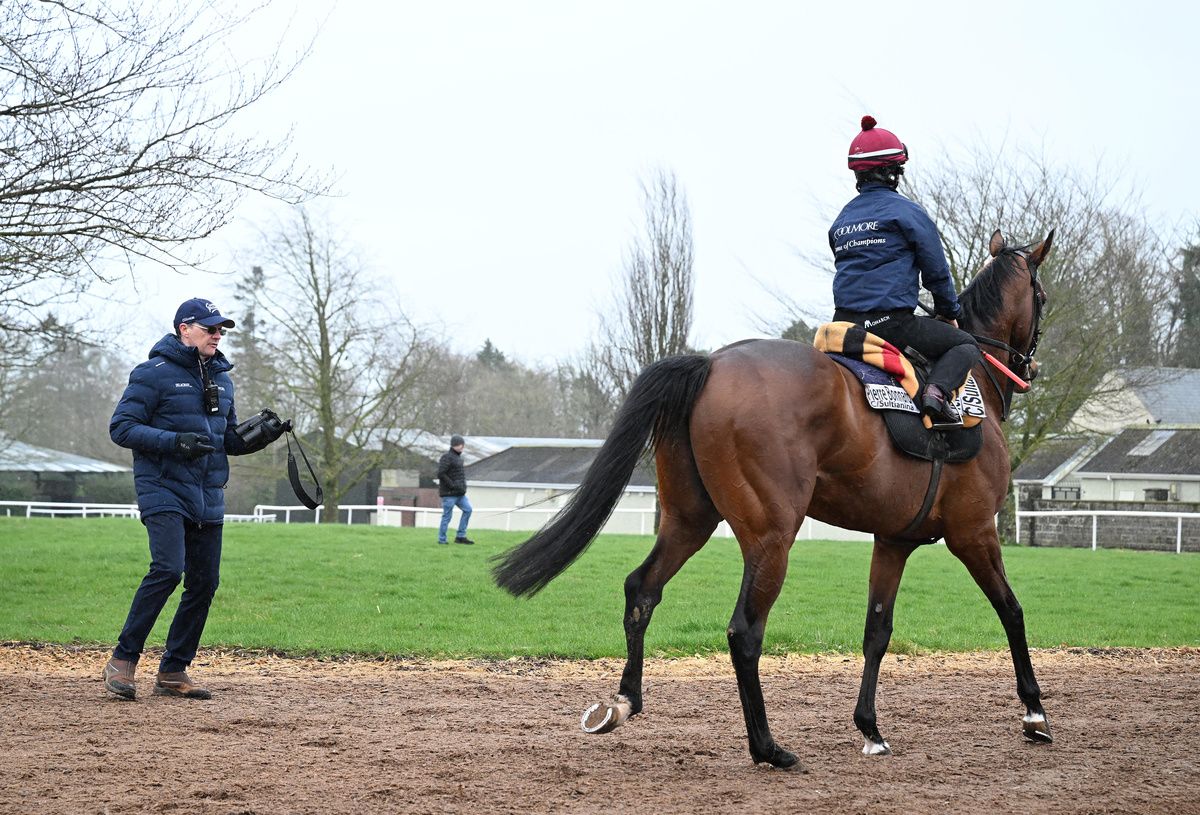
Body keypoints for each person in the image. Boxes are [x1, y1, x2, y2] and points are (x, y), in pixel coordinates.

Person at [103, 298, 283, 701]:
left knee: (204, 583)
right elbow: (122, 428)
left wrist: (261, 435)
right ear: (185, 329)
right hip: (163, 488)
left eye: (221, 330)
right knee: (168, 569)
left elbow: (225, 442)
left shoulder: (223, 379)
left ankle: (172, 669)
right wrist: (174, 443)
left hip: (208, 495)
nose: (218, 335)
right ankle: (123, 659)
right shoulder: (152, 374)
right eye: (210, 328)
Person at [829, 115, 981, 424]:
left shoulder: (841, 220)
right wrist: (947, 309)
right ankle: (936, 396)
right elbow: (936, 270)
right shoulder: (907, 212)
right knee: (966, 344)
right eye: (898, 170)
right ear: (891, 174)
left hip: (842, 327)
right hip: (891, 327)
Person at [436, 434, 474, 545]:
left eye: (462, 444)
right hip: (449, 494)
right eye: (459, 444)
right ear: (453, 446)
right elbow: (441, 473)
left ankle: (460, 536)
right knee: (447, 516)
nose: (461, 446)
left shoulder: (459, 458)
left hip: (460, 494)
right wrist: (452, 485)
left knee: (468, 510)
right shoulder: (447, 457)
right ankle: (442, 539)